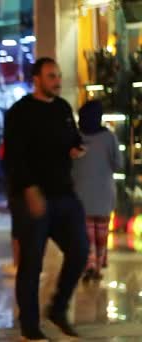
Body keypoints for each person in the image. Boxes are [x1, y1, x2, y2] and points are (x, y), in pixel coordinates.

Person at [3, 57, 89, 341]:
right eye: (51, 76)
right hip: (32, 198)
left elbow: (73, 138)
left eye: (58, 75)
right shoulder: (20, 112)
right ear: (36, 79)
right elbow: (14, 157)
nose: (57, 81)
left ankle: (57, 308)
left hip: (64, 194)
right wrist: (29, 190)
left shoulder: (63, 108)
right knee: (31, 263)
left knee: (79, 252)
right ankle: (30, 327)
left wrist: (77, 148)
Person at [72, 100, 123, 282]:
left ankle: (90, 264)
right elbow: (118, 164)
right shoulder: (109, 137)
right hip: (104, 194)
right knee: (102, 234)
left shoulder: (76, 137)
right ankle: (98, 265)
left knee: (87, 236)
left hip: (81, 195)